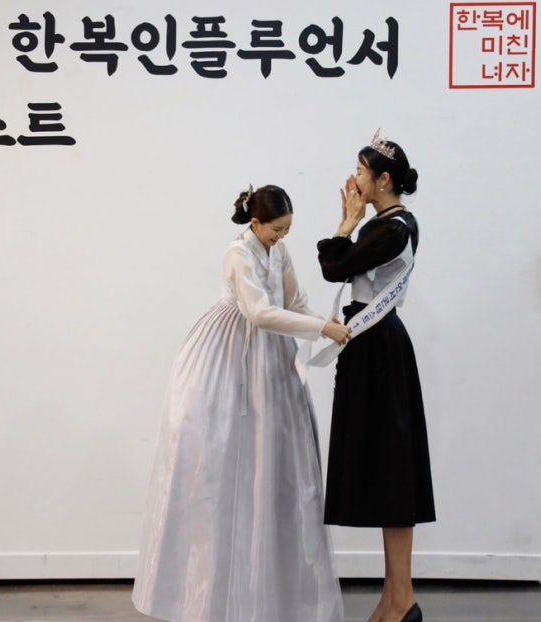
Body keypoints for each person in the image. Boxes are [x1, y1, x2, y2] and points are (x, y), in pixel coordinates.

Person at [132, 185, 350, 622]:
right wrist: (319, 328)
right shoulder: (237, 254)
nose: (281, 237)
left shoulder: (278, 251)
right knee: (223, 460)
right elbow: (259, 312)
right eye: (275, 230)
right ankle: (211, 591)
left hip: (272, 358)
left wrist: (324, 327)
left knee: (275, 460)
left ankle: (274, 590)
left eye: (287, 230)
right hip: (230, 353)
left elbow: (294, 301)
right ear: (255, 222)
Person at [317, 131, 436, 622]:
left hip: (380, 349)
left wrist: (346, 224)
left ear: (383, 180)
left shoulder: (392, 230)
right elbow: (340, 267)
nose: (354, 180)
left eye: (361, 172)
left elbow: (333, 266)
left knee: (393, 469)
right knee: (387, 468)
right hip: (373, 346)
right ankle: (394, 598)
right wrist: (352, 223)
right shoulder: (386, 224)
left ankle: (402, 599)